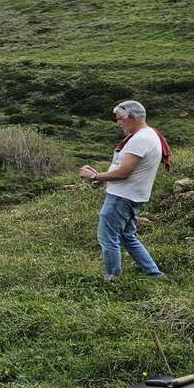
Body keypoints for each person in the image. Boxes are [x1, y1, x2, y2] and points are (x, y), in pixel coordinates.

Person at [79, 100, 168, 281]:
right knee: (127, 236)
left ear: (131, 117)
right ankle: (154, 274)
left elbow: (123, 173)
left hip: (122, 197)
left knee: (107, 237)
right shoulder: (150, 134)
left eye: (120, 119)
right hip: (134, 195)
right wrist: (100, 175)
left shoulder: (140, 139)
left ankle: (112, 279)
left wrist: (94, 176)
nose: (118, 123)